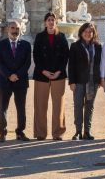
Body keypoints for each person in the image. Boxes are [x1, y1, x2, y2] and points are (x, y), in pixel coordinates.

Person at [33, 12, 70, 140]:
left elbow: (65, 56)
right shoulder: (39, 37)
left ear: (56, 22)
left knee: (58, 106)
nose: (50, 22)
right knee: (40, 105)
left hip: (58, 75)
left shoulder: (62, 37)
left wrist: (59, 71)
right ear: (45, 22)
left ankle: (58, 133)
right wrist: (44, 71)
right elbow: (36, 56)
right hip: (42, 75)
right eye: (48, 19)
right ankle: (40, 133)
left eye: (53, 20)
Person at [0, 21, 31, 142]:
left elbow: (27, 63)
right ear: (7, 30)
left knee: (21, 108)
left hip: (20, 81)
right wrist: (9, 75)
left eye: (17, 28)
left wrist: (17, 75)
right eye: (13, 28)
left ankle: (20, 132)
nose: (15, 30)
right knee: (2, 108)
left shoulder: (26, 45)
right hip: (4, 81)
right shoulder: (0, 45)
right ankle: (2, 132)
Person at [68, 22, 102, 140]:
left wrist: (99, 80)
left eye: (90, 32)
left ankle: (87, 131)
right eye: (85, 32)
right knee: (78, 105)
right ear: (81, 33)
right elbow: (71, 65)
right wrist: (71, 82)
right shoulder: (75, 46)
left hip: (93, 81)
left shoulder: (98, 47)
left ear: (93, 33)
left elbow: (100, 64)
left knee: (89, 106)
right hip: (78, 81)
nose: (88, 34)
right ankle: (78, 131)